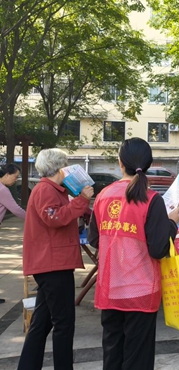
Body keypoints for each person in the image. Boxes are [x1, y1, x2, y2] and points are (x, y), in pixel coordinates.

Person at [88, 137, 179, 370]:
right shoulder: (152, 200)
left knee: (112, 354)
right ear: (149, 164)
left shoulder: (102, 196)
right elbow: (159, 249)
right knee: (137, 358)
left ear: (120, 163)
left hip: (110, 289)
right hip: (141, 291)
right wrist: (172, 223)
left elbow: (94, 239)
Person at [18, 149, 94, 370]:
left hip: (51, 262)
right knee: (64, 322)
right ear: (61, 168)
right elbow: (56, 217)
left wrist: (83, 206)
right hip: (53, 264)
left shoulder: (51, 189)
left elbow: (62, 213)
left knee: (43, 322)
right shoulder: (45, 190)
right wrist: (81, 201)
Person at [0, 163, 27, 303]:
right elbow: (16, 210)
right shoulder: (2, 190)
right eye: (15, 177)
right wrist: (32, 218)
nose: (15, 180)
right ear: (6, 175)